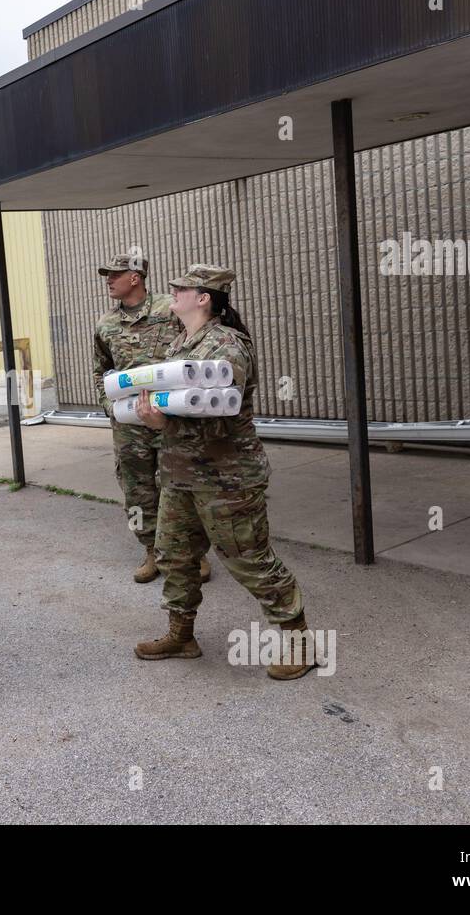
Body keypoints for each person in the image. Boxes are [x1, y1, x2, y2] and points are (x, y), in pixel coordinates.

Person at [132, 264, 314, 679]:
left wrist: (162, 423)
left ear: (204, 298)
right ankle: (182, 635)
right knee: (175, 556)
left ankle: (299, 641)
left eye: (181, 288)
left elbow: (220, 419)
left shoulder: (226, 346)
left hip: (226, 477)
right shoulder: (182, 343)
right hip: (181, 474)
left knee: (249, 559)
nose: (172, 292)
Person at [93, 253, 212, 585]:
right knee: (137, 490)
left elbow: (196, 348)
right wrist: (108, 406)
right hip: (130, 424)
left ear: (135, 277)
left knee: (181, 483)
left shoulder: (169, 310)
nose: (108, 280)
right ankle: (152, 551)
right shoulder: (105, 323)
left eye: (114, 274)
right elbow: (100, 370)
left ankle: (194, 554)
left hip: (170, 415)